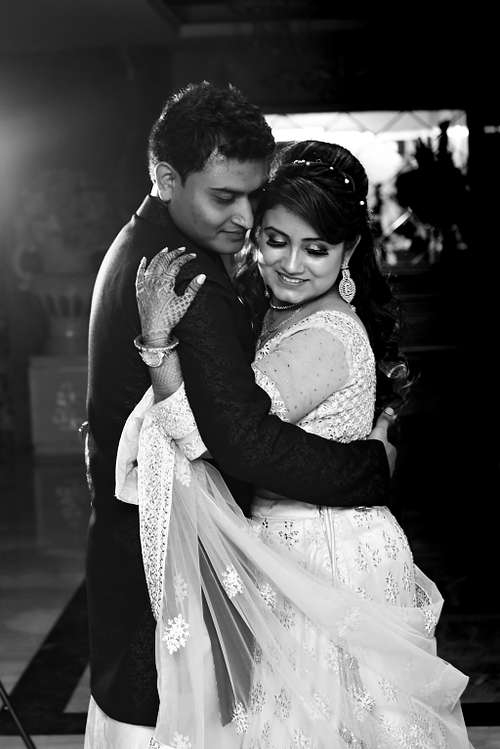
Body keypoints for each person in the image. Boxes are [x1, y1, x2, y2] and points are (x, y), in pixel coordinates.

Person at [114, 141, 473, 747]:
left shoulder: (323, 335)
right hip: (292, 550)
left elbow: (214, 439)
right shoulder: (280, 313)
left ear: (348, 252)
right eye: (277, 241)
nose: (292, 265)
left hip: (325, 559)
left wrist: (157, 348)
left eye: (316, 249)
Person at [84, 83, 396, 746]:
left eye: (253, 197)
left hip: (291, 558)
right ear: (167, 178)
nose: (245, 219)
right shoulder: (186, 274)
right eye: (226, 197)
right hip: (182, 559)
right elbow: (241, 441)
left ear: (346, 253)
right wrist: (370, 467)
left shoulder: (145, 242)